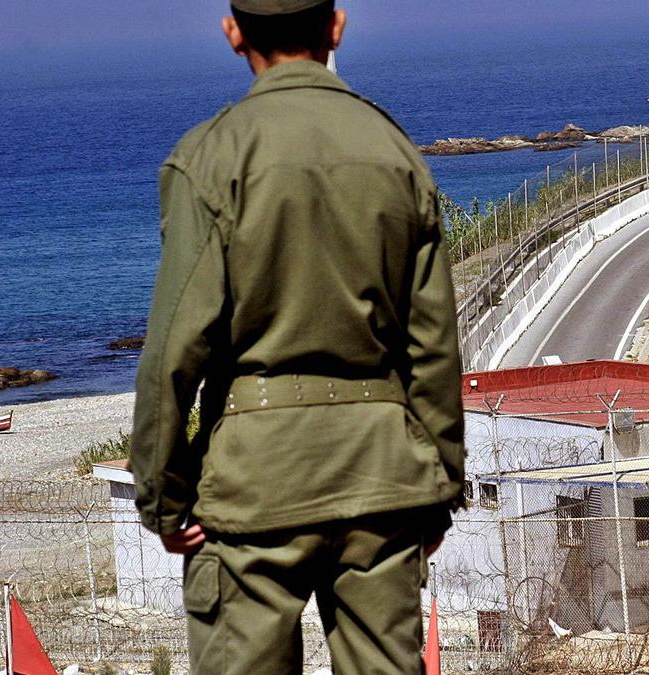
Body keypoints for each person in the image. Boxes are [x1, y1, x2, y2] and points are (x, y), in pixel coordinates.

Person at [129, 0, 464, 672]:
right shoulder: (394, 153)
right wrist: (441, 488)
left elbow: (174, 350)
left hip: (251, 480)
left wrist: (163, 497)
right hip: (381, 475)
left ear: (233, 34)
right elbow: (433, 347)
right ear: (336, 26)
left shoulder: (210, 157)